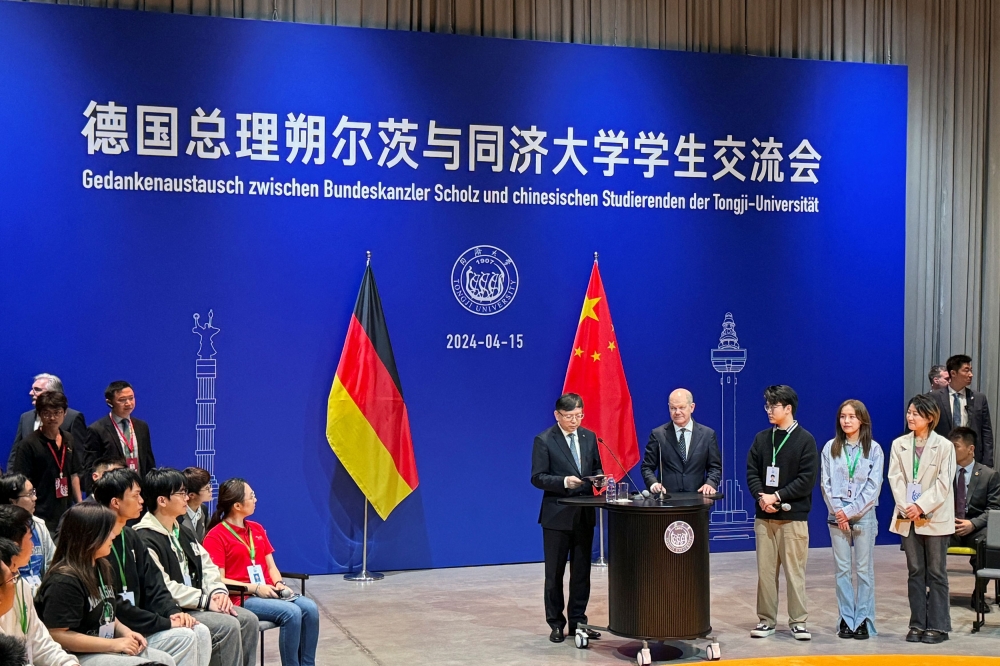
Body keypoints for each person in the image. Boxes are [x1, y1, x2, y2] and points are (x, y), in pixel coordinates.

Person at [134, 469, 258, 666]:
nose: (186, 498)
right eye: (181, 493)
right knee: (227, 625)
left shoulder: (181, 530)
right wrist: (205, 600)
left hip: (200, 603)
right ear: (162, 500)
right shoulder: (144, 537)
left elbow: (207, 565)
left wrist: (217, 592)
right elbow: (164, 586)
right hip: (175, 609)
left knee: (248, 620)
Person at [92, 469, 211, 666]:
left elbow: (155, 585)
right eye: (136, 495)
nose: (141, 501)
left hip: (141, 623)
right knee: (187, 636)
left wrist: (173, 611)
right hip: (116, 628)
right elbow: (110, 601)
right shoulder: (97, 541)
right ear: (116, 502)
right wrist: (165, 622)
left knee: (199, 631)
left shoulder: (131, 536)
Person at [34, 503, 177, 664]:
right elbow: (57, 634)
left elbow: (106, 610)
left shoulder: (101, 565)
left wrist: (125, 632)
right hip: (76, 656)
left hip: (105, 645)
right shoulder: (63, 581)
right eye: (107, 532)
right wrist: (114, 644)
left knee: (167, 658)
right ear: (90, 536)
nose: (113, 536)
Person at [204, 479, 319, 666]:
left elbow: (271, 567)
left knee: (310, 609)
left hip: (269, 591)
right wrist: (255, 588)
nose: (256, 499)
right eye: (252, 496)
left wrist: (279, 584)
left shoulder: (256, 528)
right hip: (242, 597)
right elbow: (219, 580)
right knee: (292, 613)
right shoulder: (216, 536)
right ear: (238, 505)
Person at [746, 385, 818, 641]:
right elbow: (752, 472)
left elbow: (806, 479)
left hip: (793, 518)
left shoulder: (805, 440)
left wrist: (777, 496)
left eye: (773, 406)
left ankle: (798, 621)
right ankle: (766, 620)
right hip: (764, 517)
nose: (768, 410)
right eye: (767, 406)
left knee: (794, 572)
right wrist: (761, 497)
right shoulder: (762, 438)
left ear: (788, 408)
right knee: (765, 573)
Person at [529, 393, 603, 644]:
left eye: (579, 415)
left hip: (584, 514)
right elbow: (537, 477)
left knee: (581, 573)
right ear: (557, 415)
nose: (575, 421)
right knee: (555, 574)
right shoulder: (544, 440)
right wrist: (563, 482)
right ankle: (556, 623)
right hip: (557, 516)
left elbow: (596, 468)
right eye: (570, 416)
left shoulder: (589, 437)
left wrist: (600, 479)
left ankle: (578, 621)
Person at [888, 394, 955, 644]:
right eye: (909, 412)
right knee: (915, 571)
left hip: (934, 516)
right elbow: (895, 478)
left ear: (929, 417)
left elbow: (943, 484)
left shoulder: (944, 446)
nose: (910, 417)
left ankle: (938, 625)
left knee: (936, 572)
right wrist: (907, 506)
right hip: (908, 516)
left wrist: (920, 505)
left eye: (915, 413)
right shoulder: (899, 444)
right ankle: (917, 623)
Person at [820, 400, 884, 639]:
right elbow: (826, 484)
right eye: (843, 416)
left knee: (864, 570)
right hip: (836, 515)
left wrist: (851, 511)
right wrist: (839, 511)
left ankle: (864, 620)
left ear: (862, 420)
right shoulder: (830, 447)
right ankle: (847, 619)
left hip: (864, 515)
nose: (846, 421)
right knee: (842, 569)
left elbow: (873, 486)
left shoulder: (874, 450)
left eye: (852, 417)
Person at [0, 505, 79, 666]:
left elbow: (40, 642)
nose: (34, 545)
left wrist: (68, 663)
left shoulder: (20, 583)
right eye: (30, 538)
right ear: (15, 544)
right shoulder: (5, 583)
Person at [9, 391, 81, 535]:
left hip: (66, 510)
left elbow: (73, 474)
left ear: (65, 413)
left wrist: (79, 504)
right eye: (47, 413)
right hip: (40, 511)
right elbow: (23, 481)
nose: (52, 417)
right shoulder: (28, 444)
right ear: (39, 414)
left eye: (57, 412)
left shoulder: (69, 439)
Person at [948, 426, 1000, 608]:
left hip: (975, 529)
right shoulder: (943, 473)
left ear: (970, 449)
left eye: (955, 446)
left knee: (988, 541)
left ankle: (979, 593)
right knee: (929, 539)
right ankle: (936, 593)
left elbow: (994, 509)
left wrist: (972, 524)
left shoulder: (989, 475)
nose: (951, 450)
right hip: (949, 527)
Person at [9, 374, 88, 488]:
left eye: (37, 390)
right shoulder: (25, 417)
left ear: (52, 393)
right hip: (31, 487)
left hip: (60, 488)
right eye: (32, 389)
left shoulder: (73, 418)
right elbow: (15, 453)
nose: (31, 393)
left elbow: (79, 458)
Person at [641, 389, 721, 495]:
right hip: (666, 500)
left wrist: (710, 484)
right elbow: (647, 467)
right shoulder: (658, 434)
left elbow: (715, 467)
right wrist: (654, 484)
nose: (677, 412)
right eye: (673, 408)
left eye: (681, 407)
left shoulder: (707, 435)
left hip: (698, 500)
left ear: (692, 407)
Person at [930, 354, 994, 466]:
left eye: (971, 370)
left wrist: (987, 462)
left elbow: (986, 432)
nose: (971, 374)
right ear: (953, 373)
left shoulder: (979, 398)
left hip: (971, 459)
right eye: (966, 370)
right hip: (941, 459)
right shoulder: (935, 398)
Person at [85, 382, 156, 480]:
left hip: (139, 489)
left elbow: (149, 462)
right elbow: (91, 467)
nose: (128, 403)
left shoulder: (142, 426)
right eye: (122, 400)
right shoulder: (97, 429)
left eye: (131, 398)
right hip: (113, 489)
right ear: (109, 402)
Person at [0, 474, 56, 594]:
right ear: (12, 501)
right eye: (29, 494)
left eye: (34, 492)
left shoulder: (39, 525)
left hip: (41, 595)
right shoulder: (3, 531)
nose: (35, 498)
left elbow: (53, 562)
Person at [178, 470, 212, 544]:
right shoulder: (178, 515)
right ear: (192, 495)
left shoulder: (203, 509)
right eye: (207, 488)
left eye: (210, 486)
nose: (211, 490)